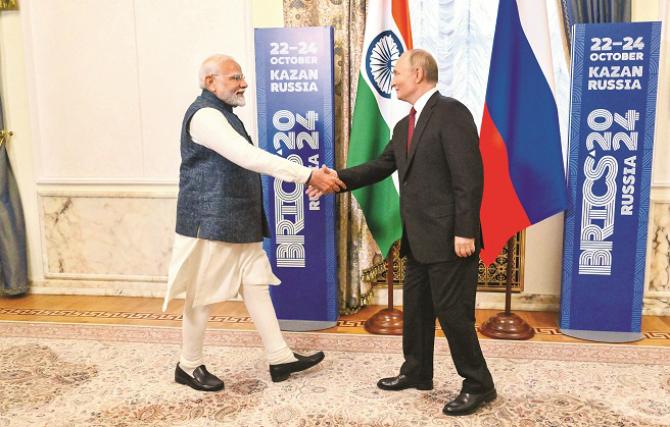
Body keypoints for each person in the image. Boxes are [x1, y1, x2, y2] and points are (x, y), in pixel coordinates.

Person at [312, 49, 495, 416]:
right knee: (417, 311)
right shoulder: (403, 125)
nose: (392, 78)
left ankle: (479, 384)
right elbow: (381, 166)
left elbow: (468, 178)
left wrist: (465, 231)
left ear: (418, 72)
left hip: (450, 240)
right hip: (418, 240)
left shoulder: (452, 113)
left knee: (454, 314)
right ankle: (416, 372)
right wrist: (338, 179)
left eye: (396, 72)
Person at [163, 54, 345, 392]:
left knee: (256, 284)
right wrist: (307, 175)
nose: (243, 83)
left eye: (241, 76)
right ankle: (188, 365)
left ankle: (280, 358)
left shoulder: (224, 115)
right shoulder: (205, 115)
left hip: (239, 220)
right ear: (210, 82)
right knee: (201, 294)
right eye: (234, 78)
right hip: (213, 221)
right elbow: (247, 157)